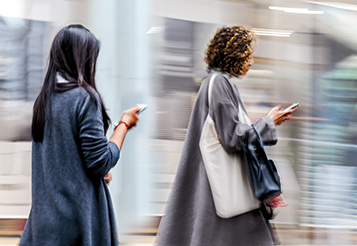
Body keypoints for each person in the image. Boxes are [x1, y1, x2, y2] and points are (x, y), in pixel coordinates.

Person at [156, 26, 296, 246]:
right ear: (233, 55)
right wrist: (269, 122)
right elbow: (232, 137)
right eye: (247, 55)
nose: (250, 62)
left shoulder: (216, 83)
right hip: (221, 186)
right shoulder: (219, 84)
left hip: (218, 187)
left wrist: (266, 123)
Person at [19, 24, 140, 246]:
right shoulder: (84, 98)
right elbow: (100, 162)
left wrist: (87, 176)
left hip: (44, 223)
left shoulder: (44, 101)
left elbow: (63, 161)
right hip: (77, 223)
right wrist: (123, 124)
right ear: (82, 59)